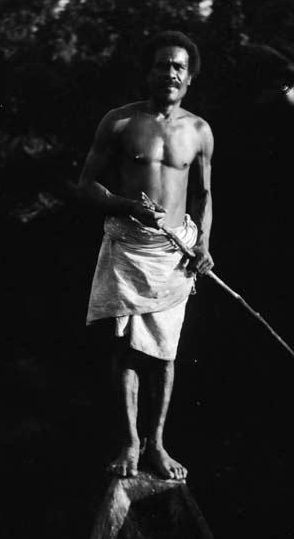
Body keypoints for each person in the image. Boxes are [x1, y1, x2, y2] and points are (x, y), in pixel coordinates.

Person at [79, 31, 214, 481]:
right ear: (148, 72)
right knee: (126, 350)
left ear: (190, 77)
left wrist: (203, 246)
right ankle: (130, 442)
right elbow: (87, 185)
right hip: (130, 248)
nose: (170, 73)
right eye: (161, 65)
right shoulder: (119, 122)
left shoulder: (198, 131)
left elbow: (203, 195)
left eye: (178, 67)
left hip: (174, 256)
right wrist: (126, 205)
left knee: (164, 354)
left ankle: (156, 443)